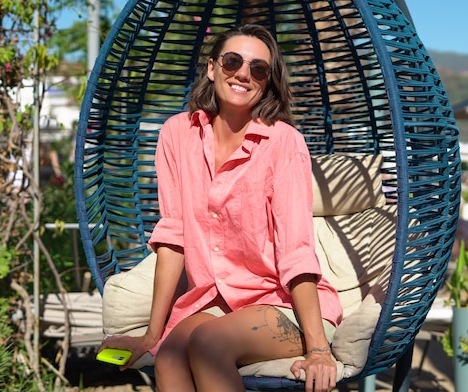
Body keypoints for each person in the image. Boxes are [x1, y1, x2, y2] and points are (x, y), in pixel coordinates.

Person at [99, 24, 343, 392]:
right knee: (168, 355)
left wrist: (319, 349)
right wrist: (152, 335)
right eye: (233, 61)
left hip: (282, 303)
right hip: (217, 303)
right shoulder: (176, 135)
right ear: (212, 68)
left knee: (208, 344)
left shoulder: (283, 143)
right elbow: (174, 237)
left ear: (268, 81)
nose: (243, 73)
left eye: (259, 68)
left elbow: (296, 250)